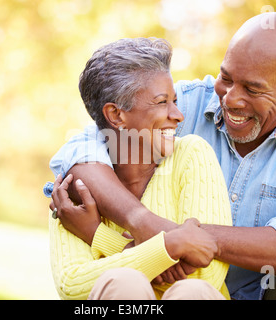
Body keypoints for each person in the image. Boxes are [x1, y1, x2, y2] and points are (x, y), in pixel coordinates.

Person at [46, 12, 276, 300]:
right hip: (174, 290)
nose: (230, 99)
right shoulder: (184, 102)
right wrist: (143, 222)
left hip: (261, 291)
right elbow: (84, 147)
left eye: (253, 89)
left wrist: (174, 240)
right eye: (226, 78)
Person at [47, 37, 233, 300]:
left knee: (192, 291)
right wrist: (170, 246)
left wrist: (99, 236)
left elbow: (207, 276)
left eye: (175, 101)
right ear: (116, 116)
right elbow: (72, 284)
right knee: (123, 284)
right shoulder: (74, 189)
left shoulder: (192, 154)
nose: (178, 115)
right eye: (161, 102)